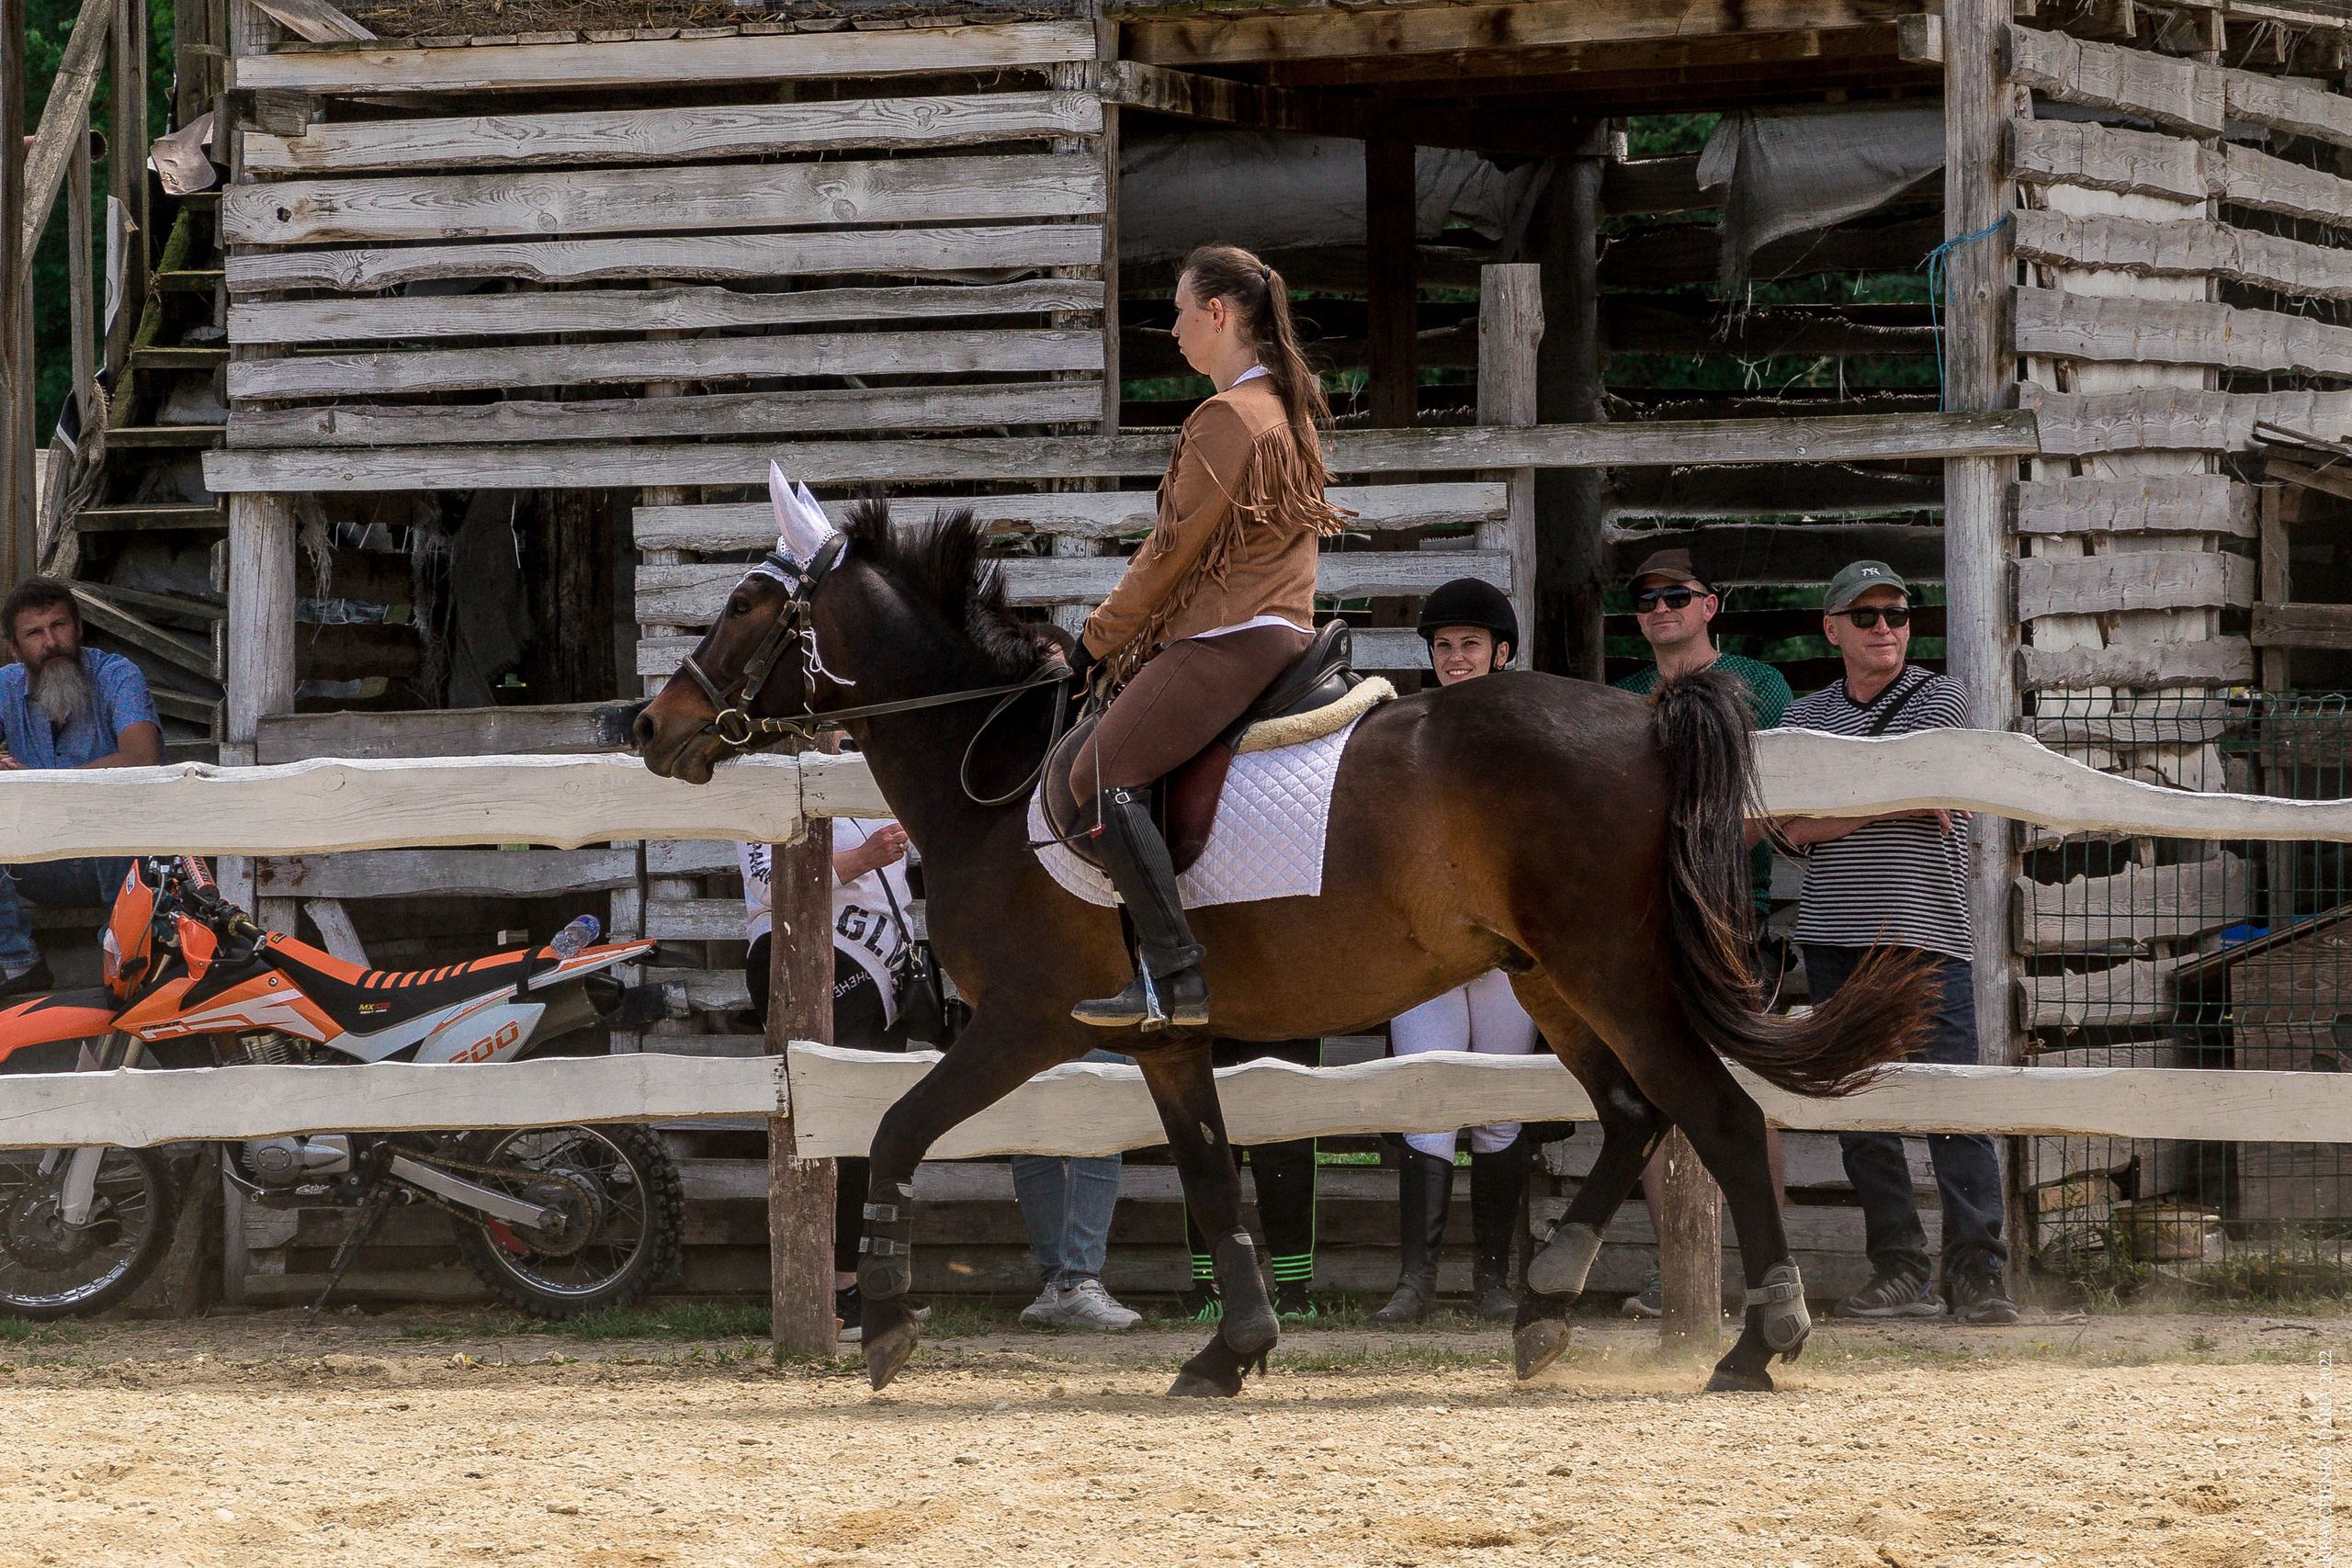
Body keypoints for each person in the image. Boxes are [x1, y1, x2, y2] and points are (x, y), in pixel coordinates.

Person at [1062, 243, 1350, 1030]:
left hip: (1229, 638)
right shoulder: (1288, 410)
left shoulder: (1228, 417)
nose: (1175, 329)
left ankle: (1174, 977)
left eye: (1183, 312)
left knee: (1099, 771)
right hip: (1280, 630)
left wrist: (1091, 645)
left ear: (1217, 315)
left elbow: (1170, 556)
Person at [1770, 560, 2018, 1326]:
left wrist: (1834, 812)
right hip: (1835, 936)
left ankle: (1976, 1271)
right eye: (1868, 615)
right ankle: (1900, 1265)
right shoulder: (1808, 714)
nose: (1887, 628)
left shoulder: (1940, 697)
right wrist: (1890, 803)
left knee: (1955, 1101)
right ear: (1833, 627)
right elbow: (1783, 826)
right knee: (1859, 1107)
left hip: (1924, 933)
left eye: (1898, 615)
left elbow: (1932, 789)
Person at [1608, 547, 1792, 1319]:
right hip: (1647, 918)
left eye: (1676, 595)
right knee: (1657, 1085)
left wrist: (1698, 843)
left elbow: (1775, 794)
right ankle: (1680, 1274)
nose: (1660, 608)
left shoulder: (1760, 684)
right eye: (1647, 599)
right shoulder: (1620, 699)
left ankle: (1769, 1263)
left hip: (1729, 913)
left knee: (1743, 1089)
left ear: (1709, 605)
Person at [1371, 579, 1548, 1325]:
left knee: (1501, 1114)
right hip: (1427, 947)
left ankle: (1492, 1280)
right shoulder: (1404, 727)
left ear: (1502, 652)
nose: (1455, 658)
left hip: (1506, 948)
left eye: (1470, 644)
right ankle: (1416, 1283)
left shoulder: (1536, 735)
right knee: (1427, 1105)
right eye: (1443, 646)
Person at [741, 814, 920, 1339]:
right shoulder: (761, 788)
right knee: (833, 1124)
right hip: (810, 954)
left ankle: (860, 1282)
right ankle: (832, 1286)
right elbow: (769, 884)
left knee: (875, 1124)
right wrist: (864, 858)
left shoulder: (873, 775)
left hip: (886, 970)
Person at [0, 577, 162, 995]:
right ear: (15, 649)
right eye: (34, 634)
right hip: (37, 863)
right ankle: (20, 965)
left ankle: (123, 963)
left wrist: (39, 783)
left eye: (59, 626)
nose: (50, 642)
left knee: (111, 814)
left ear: (79, 628)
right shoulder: (5, 686)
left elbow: (142, 758)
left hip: (115, 862)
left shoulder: (116, 675)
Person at [1180, 1038, 1321, 1323]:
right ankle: (1210, 1283)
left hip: (1285, 1009)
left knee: (1285, 1133)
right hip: (1209, 1010)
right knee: (1205, 1132)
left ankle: (1293, 1287)